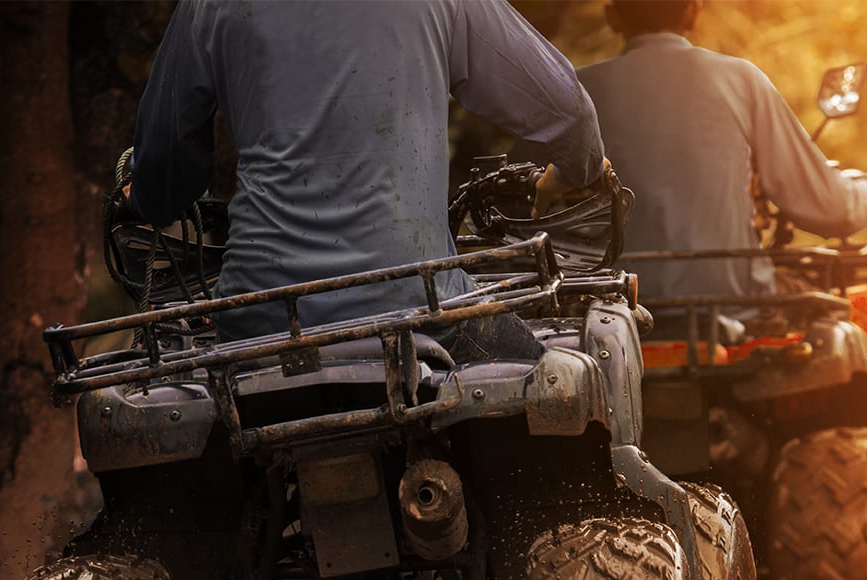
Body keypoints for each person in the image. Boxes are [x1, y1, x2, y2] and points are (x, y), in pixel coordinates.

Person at [127, 0, 607, 359]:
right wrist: (569, 176)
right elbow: (570, 115)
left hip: (261, 316)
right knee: (555, 398)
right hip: (418, 303)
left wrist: (147, 195)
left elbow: (163, 172)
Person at [554, 0, 867, 323]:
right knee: (837, 307)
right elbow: (832, 208)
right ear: (694, 10)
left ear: (612, 16)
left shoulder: (576, 94)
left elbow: (520, 206)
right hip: (735, 305)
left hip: (606, 316)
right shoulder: (740, 79)